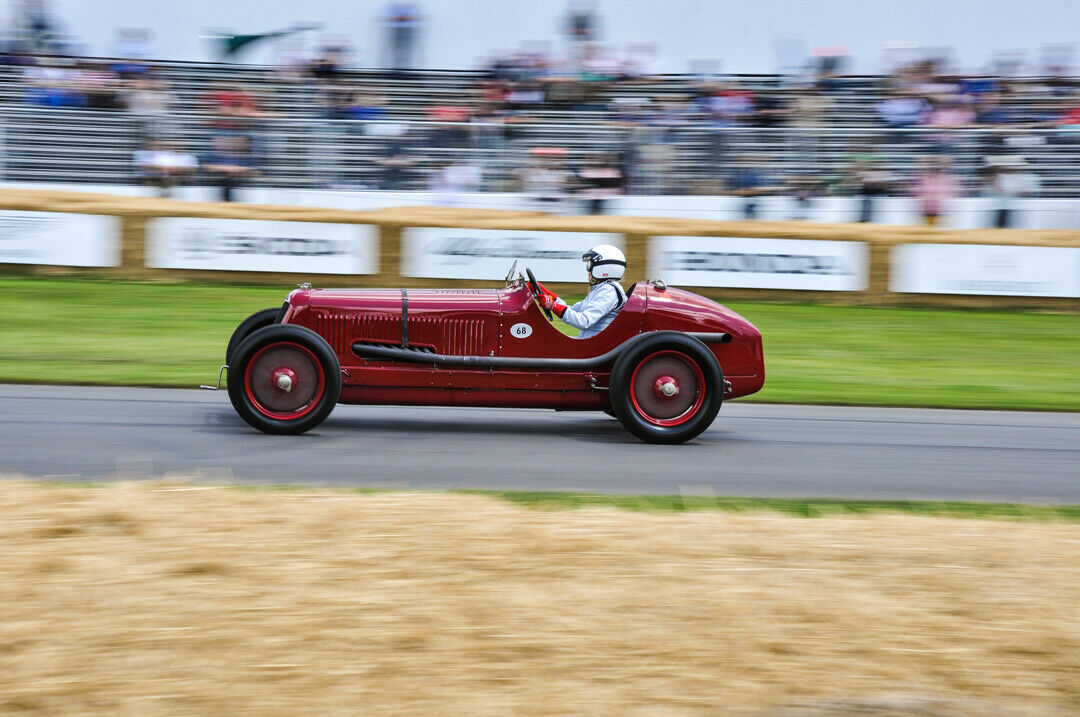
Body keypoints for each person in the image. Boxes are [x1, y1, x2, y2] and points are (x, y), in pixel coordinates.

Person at [533, 244, 627, 339]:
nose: (588, 270)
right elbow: (574, 310)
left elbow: (584, 321)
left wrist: (552, 306)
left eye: (590, 265)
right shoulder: (602, 289)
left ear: (603, 268)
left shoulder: (608, 292)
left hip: (595, 346)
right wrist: (550, 296)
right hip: (591, 342)